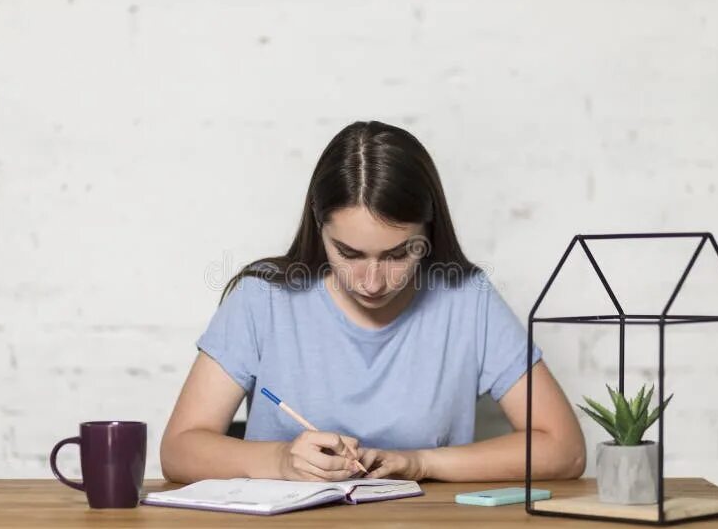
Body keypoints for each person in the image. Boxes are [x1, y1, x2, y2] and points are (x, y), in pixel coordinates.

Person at [160, 120, 585, 484]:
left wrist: (422, 463)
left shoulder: (467, 301)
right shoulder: (263, 299)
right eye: (348, 253)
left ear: (429, 231)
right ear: (317, 225)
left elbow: (565, 450)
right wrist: (280, 460)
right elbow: (179, 449)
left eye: (400, 254)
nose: (372, 282)